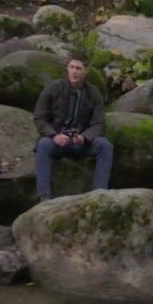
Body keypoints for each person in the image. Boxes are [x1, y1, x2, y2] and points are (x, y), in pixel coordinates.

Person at [32, 55, 114, 201]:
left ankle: (99, 195)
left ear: (86, 71)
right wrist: (54, 135)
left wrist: (84, 137)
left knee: (105, 146)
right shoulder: (53, 88)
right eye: (72, 68)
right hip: (57, 141)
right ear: (67, 69)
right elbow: (39, 117)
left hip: (81, 142)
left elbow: (98, 123)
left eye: (78, 68)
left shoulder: (94, 93)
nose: (74, 72)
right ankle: (43, 197)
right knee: (43, 145)